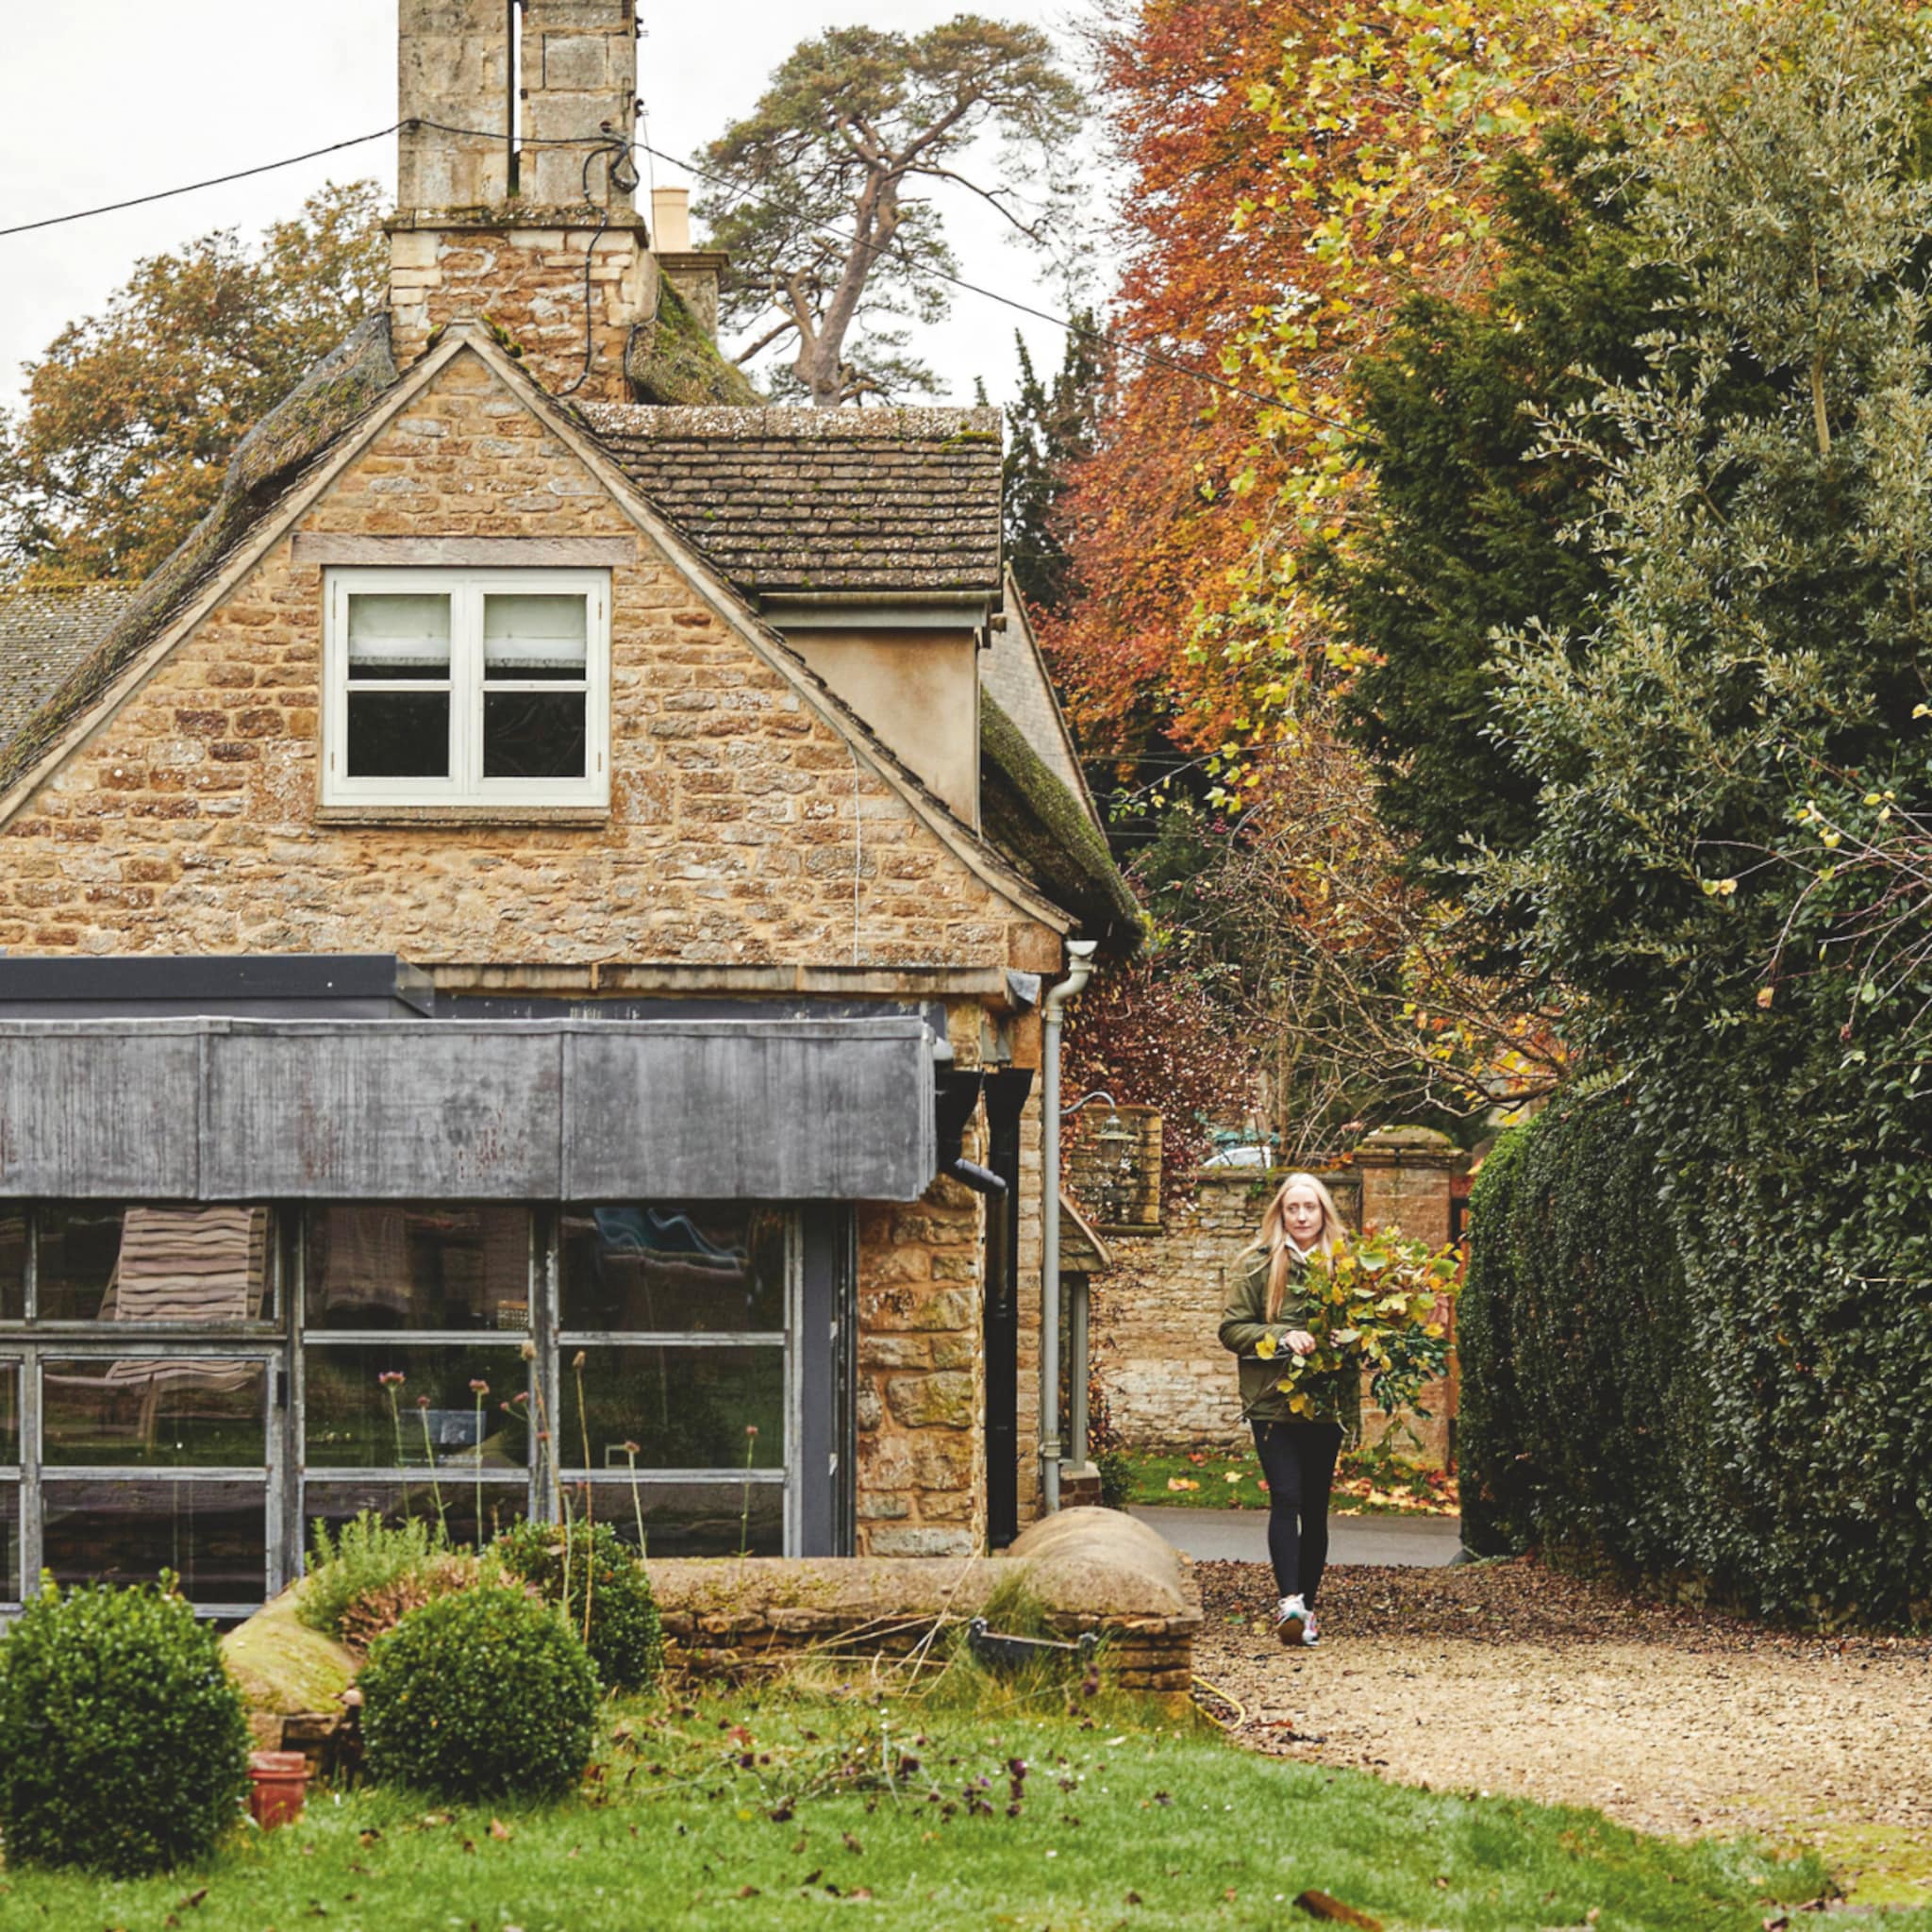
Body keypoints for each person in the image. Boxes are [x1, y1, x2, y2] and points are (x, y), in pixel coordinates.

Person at [1218, 1171, 1359, 1648]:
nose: (1301, 1216)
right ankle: (1290, 1602)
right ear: (1280, 1213)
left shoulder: (1347, 1266)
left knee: (1315, 1508)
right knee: (1286, 1497)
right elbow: (1232, 1330)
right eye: (1292, 1208)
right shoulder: (1257, 1264)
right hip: (1272, 1403)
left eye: (1309, 1207)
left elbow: (1372, 1330)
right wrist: (1282, 1336)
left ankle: (1308, 1612)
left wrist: (1350, 1339)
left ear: (1324, 1212)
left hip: (1325, 1404)